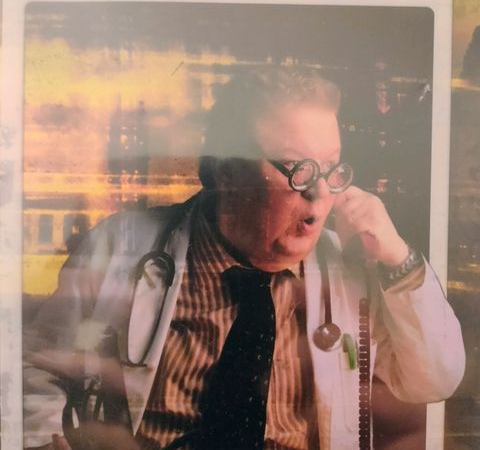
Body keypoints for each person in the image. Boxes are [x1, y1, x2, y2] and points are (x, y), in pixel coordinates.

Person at [23, 68, 465, 450]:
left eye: (331, 168)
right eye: (297, 168)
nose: (320, 193)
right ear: (226, 172)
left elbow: (434, 378)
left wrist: (398, 259)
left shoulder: (353, 270)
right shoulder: (119, 247)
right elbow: (34, 370)